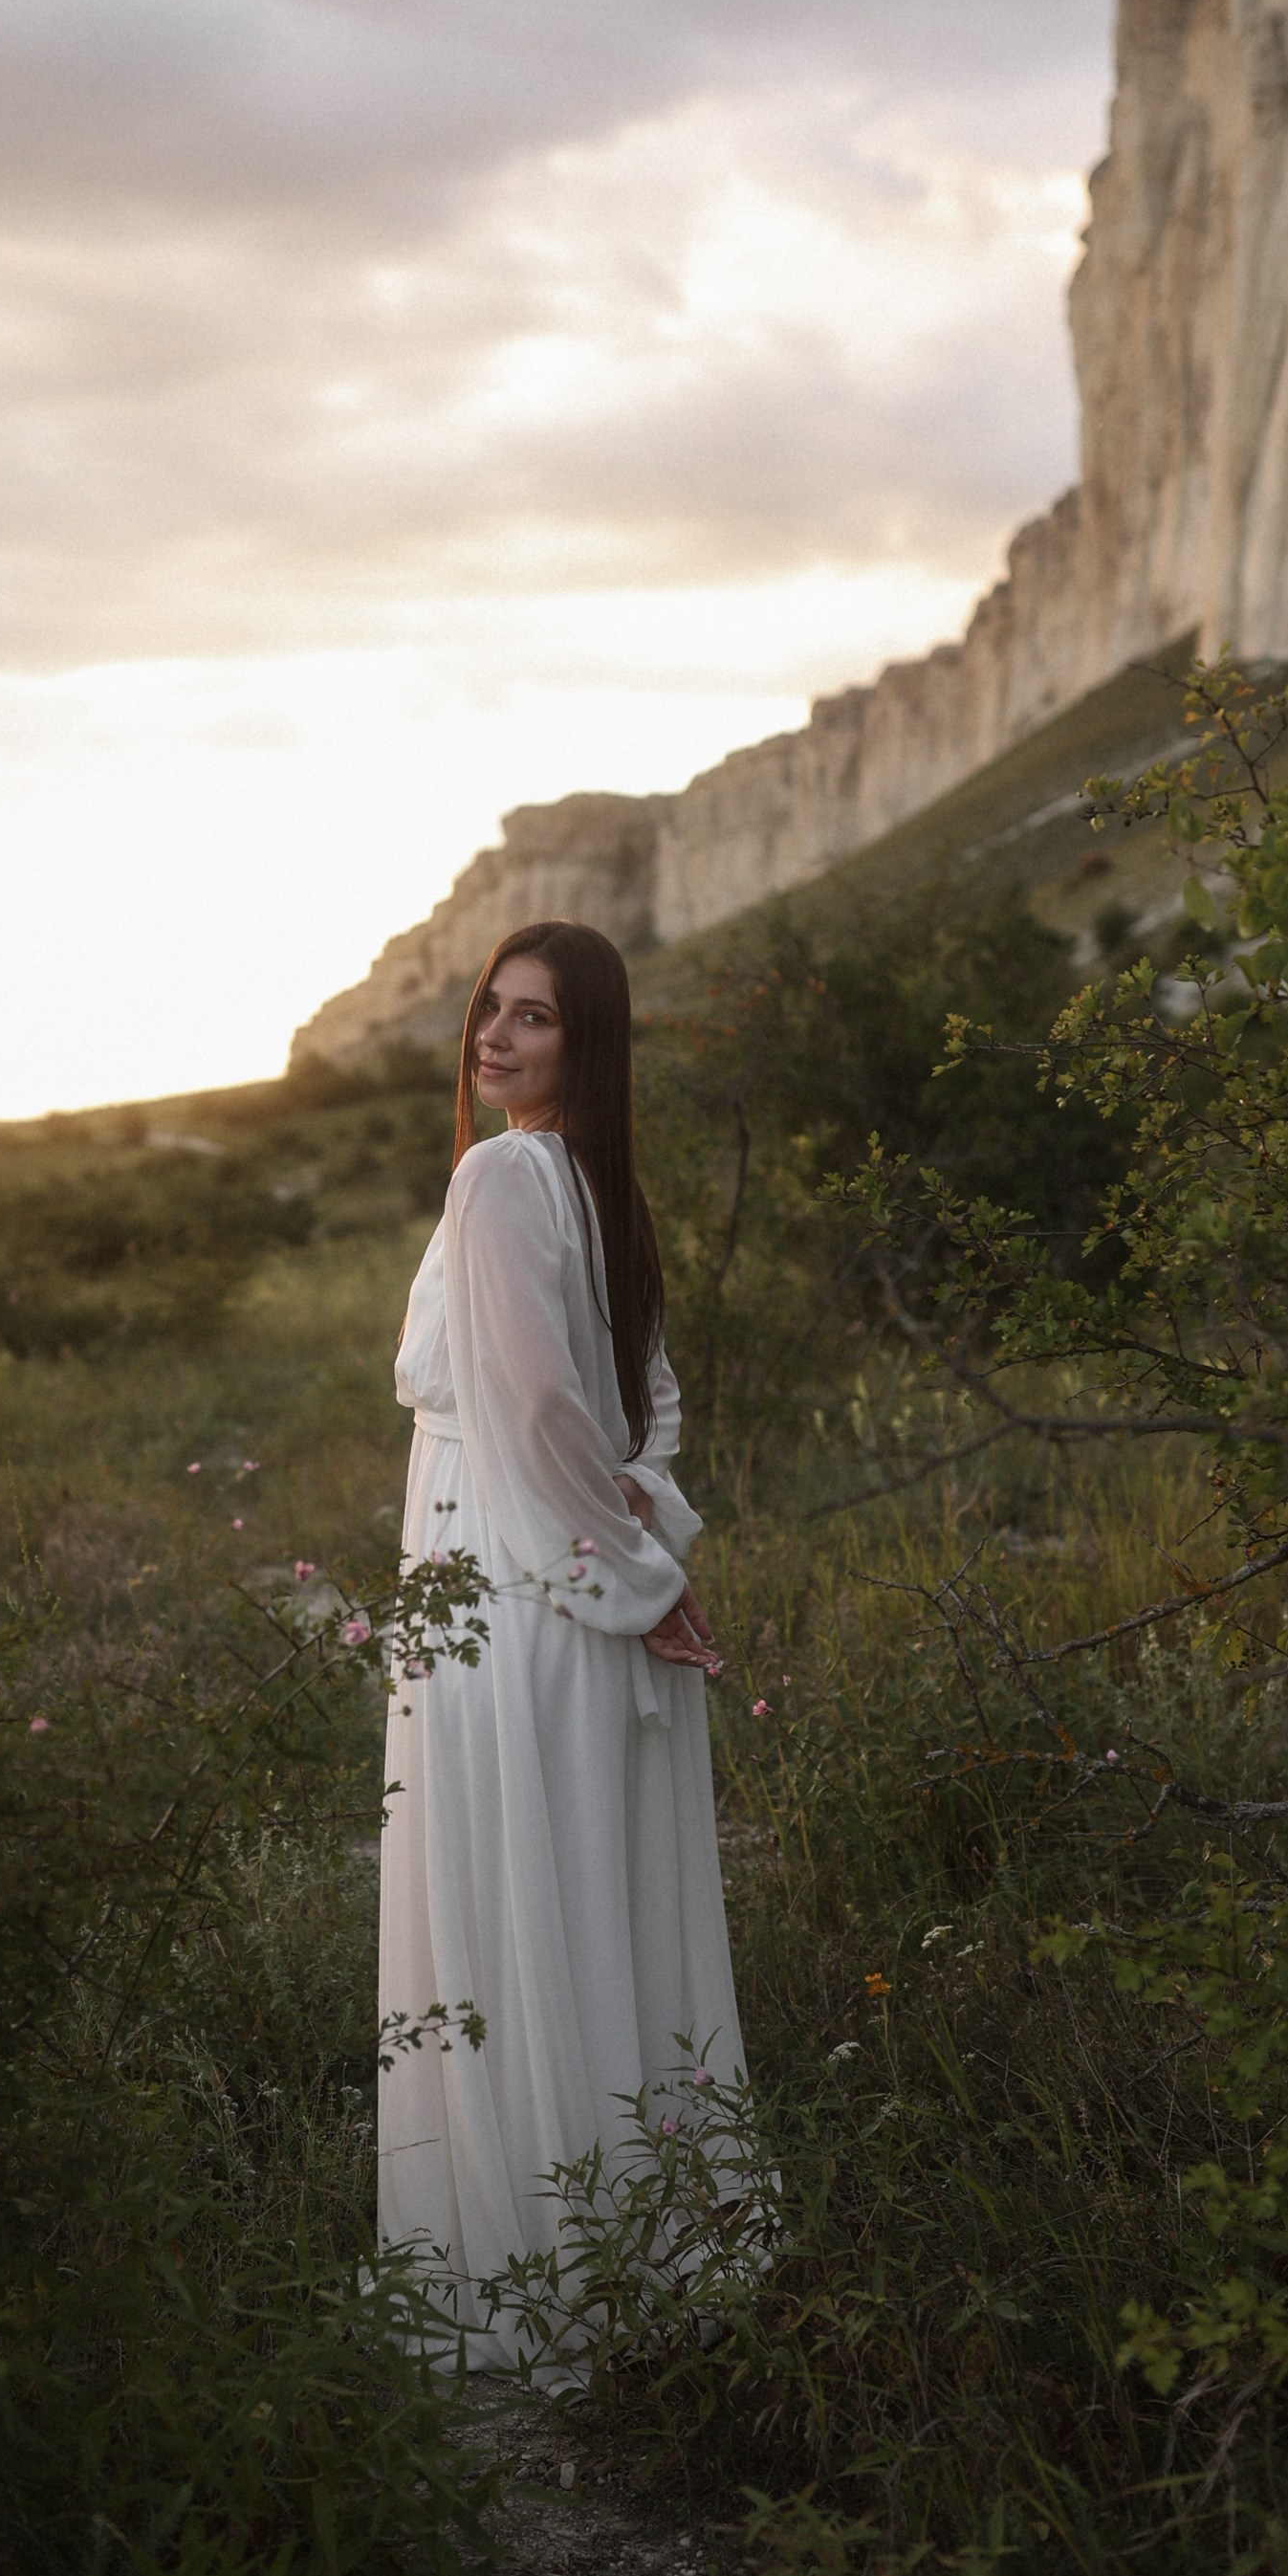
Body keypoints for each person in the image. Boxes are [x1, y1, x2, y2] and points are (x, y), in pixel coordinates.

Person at [377, 916, 749, 2363]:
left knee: (509, 1905)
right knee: (583, 1900)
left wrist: (634, 1581)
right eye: (488, 1009)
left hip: (501, 1583)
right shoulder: (597, 1189)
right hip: (570, 1577)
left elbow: (539, 1413)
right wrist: (646, 1562)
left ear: (584, 1041)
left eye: (532, 1018)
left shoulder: (503, 1172)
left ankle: (524, 2273)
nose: (494, 1037)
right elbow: (642, 1422)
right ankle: (627, 2251)